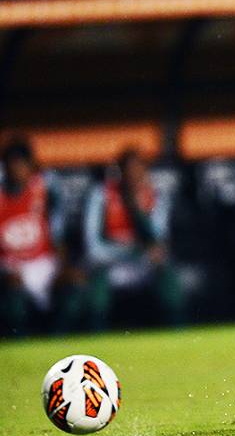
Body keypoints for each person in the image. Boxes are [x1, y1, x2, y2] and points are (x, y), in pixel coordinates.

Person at [83, 150, 183, 330]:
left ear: (145, 171)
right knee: (98, 284)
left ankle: (178, 335)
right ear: (119, 172)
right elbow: (93, 247)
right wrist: (130, 251)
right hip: (111, 264)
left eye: (138, 170)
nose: (133, 175)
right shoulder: (102, 194)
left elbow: (159, 239)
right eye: (128, 170)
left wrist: (137, 210)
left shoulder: (156, 195)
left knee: (168, 277)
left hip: (143, 264)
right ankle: (96, 336)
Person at [0, 138, 80, 335]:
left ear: (30, 166)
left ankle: (59, 340)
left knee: (74, 284)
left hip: (43, 264)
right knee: (13, 301)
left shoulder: (44, 190)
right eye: (12, 164)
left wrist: (63, 267)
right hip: (10, 266)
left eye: (22, 164)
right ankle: (20, 344)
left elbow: (58, 232)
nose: (17, 170)